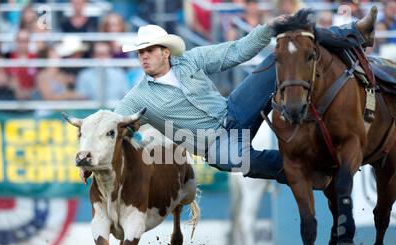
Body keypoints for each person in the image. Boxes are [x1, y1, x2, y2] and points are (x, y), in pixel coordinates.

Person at [114, 7, 378, 183]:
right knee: (248, 162)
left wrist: (269, 28)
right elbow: (107, 123)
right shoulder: (138, 97)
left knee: (282, 59)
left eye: (149, 50)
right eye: (141, 52)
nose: (144, 56)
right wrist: (89, 158)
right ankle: (314, 172)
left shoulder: (191, 60)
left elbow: (236, 51)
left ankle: (354, 31)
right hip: (214, 145)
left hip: (234, 111)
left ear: (166, 52)